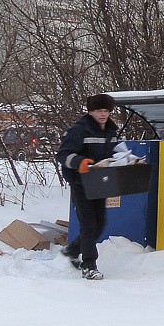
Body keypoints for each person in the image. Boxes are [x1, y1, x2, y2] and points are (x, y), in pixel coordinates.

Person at [56, 93, 119, 280]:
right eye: (99, 110)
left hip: (100, 182)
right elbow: (62, 155)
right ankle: (89, 266)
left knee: (100, 224)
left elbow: (113, 153)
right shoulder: (79, 130)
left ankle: (73, 249)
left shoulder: (111, 131)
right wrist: (80, 162)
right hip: (80, 183)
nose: (103, 114)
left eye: (106, 111)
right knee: (88, 224)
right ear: (91, 111)